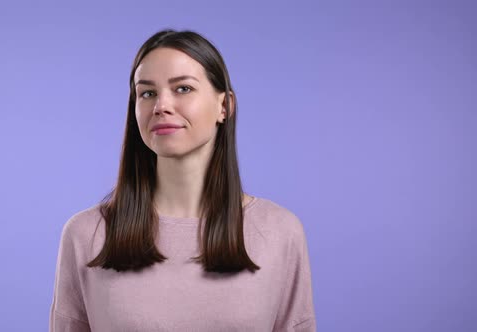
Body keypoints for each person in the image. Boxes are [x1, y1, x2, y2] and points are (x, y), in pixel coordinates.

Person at [49, 29, 316, 331]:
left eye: (183, 89)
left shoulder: (280, 232)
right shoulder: (86, 234)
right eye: (147, 93)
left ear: (224, 106)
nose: (161, 105)